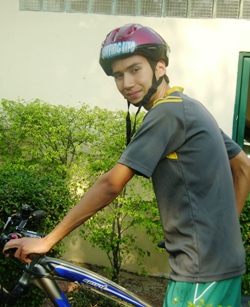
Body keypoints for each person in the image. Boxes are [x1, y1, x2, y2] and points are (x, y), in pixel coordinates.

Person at [3, 24, 250, 307]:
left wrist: (48, 240)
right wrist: (224, 234)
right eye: (118, 75)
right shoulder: (190, 107)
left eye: (135, 70)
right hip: (221, 264)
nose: (127, 83)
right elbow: (244, 167)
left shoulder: (166, 113)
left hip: (200, 274)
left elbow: (111, 184)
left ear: (159, 67)